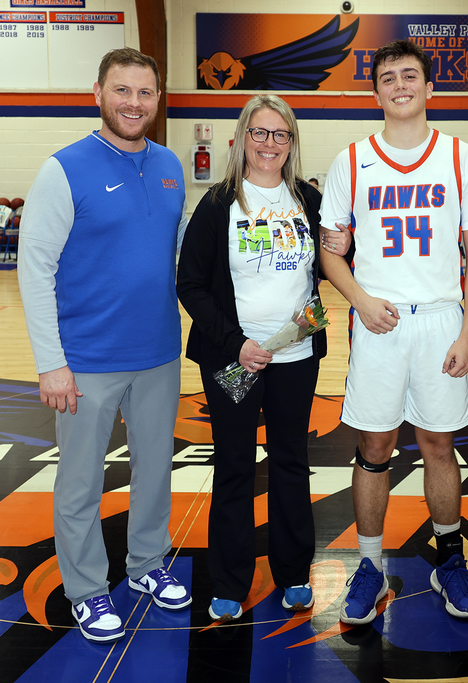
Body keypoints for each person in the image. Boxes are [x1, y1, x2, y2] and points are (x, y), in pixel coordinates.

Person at [318, 39, 468, 624]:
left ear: (429, 87)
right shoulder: (350, 161)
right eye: (389, 77)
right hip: (378, 322)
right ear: (375, 92)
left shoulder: (459, 157)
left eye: (410, 76)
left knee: (438, 443)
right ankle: (368, 565)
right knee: (373, 446)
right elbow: (332, 254)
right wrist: (360, 299)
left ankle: (451, 559)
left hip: (442, 319)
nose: (400, 85)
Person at [18, 48, 191, 643]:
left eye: (145, 93)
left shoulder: (170, 165)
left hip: (159, 354)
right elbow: (34, 267)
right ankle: (88, 589)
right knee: (80, 482)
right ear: (98, 93)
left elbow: (169, 258)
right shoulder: (63, 169)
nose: (133, 104)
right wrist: (51, 364)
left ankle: (146, 565)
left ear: (158, 98)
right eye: (122, 91)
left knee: (155, 472)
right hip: (85, 361)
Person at [177, 96, 326, 621]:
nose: (269, 144)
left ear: (292, 143)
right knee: (235, 465)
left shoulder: (308, 199)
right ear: (241, 138)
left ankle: (292, 573)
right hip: (233, 359)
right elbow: (190, 284)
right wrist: (236, 341)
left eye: (280, 135)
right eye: (259, 133)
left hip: (297, 356)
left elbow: (332, 264)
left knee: (291, 462)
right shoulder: (218, 203)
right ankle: (231, 580)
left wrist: (348, 243)